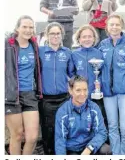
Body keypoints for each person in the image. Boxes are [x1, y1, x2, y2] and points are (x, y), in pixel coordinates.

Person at [98, 14, 125, 155]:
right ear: (107, 27)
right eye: (112, 25)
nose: (114, 27)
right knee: (112, 126)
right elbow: (98, 69)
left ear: (121, 26)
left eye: (117, 24)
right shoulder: (102, 45)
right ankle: (116, 154)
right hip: (108, 93)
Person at [5, 15, 43, 155]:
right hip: (11, 95)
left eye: (31, 27)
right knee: (17, 135)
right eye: (24, 27)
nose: (28, 30)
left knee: (32, 137)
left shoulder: (34, 46)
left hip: (30, 94)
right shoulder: (7, 45)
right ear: (17, 28)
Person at [38, 22, 74, 155]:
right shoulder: (40, 51)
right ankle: (49, 153)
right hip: (46, 99)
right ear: (47, 35)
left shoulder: (68, 52)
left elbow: (72, 74)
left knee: (64, 128)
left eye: (58, 33)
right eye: (52, 33)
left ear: (62, 35)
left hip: (64, 98)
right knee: (48, 129)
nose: (55, 36)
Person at [54, 75, 111, 155]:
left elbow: (102, 132)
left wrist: (89, 149)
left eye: (85, 90)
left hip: (90, 147)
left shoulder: (94, 107)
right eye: (78, 90)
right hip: (73, 149)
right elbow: (60, 141)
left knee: (106, 150)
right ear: (70, 90)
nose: (82, 94)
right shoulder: (63, 112)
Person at [71, 25, 107, 129]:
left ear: (94, 38)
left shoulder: (99, 53)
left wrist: (98, 83)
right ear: (79, 39)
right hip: (80, 95)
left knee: (97, 121)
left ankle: (98, 143)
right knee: (81, 122)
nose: (87, 39)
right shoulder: (74, 54)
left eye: (89, 36)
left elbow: (103, 72)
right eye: (84, 37)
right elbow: (71, 73)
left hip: (96, 94)